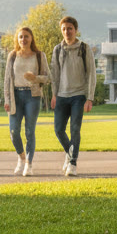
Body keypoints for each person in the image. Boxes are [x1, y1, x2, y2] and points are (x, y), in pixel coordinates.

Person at [49, 16, 95, 177]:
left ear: (75, 30)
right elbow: (54, 74)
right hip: (61, 95)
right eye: (64, 29)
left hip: (79, 96)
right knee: (58, 130)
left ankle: (73, 163)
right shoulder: (57, 49)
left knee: (75, 129)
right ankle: (69, 153)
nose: (67, 31)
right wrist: (54, 94)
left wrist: (90, 98)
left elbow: (91, 74)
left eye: (70, 28)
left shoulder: (84, 48)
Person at [4, 26, 50, 176]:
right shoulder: (12, 56)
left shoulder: (39, 55)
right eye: (21, 37)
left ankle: (29, 165)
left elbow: (48, 78)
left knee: (30, 131)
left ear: (31, 38)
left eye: (26, 36)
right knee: (13, 131)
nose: (23, 39)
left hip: (33, 96)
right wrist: (7, 99)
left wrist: (35, 78)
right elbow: (6, 80)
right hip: (15, 96)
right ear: (17, 39)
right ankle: (21, 158)